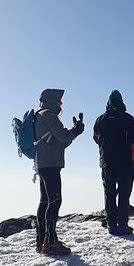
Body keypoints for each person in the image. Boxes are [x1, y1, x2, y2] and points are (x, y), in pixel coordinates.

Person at [34, 88, 85, 255]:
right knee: (55, 200)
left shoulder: (39, 115)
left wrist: (73, 133)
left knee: (45, 201)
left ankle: (41, 240)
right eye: (58, 100)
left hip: (42, 163)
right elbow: (63, 137)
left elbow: (59, 142)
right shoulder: (49, 115)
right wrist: (75, 130)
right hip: (51, 164)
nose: (61, 103)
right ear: (51, 100)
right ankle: (51, 242)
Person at [93, 90, 134, 235]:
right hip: (124, 161)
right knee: (124, 193)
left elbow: (96, 138)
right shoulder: (128, 119)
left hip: (107, 161)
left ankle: (111, 224)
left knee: (109, 192)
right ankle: (123, 224)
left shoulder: (101, 119)